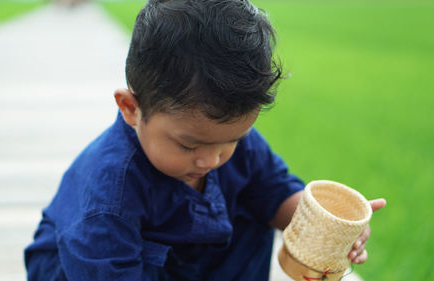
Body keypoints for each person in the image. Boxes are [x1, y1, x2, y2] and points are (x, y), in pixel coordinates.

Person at [24, 0, 385, 280]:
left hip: (182, 260)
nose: (211, 160)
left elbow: (275, 194)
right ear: (131, 108)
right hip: (92, 267)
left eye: (231, 140)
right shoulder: (110, 193)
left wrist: (331, 229)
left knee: (251, 207)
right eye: (189, 145)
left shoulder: (234, 145)